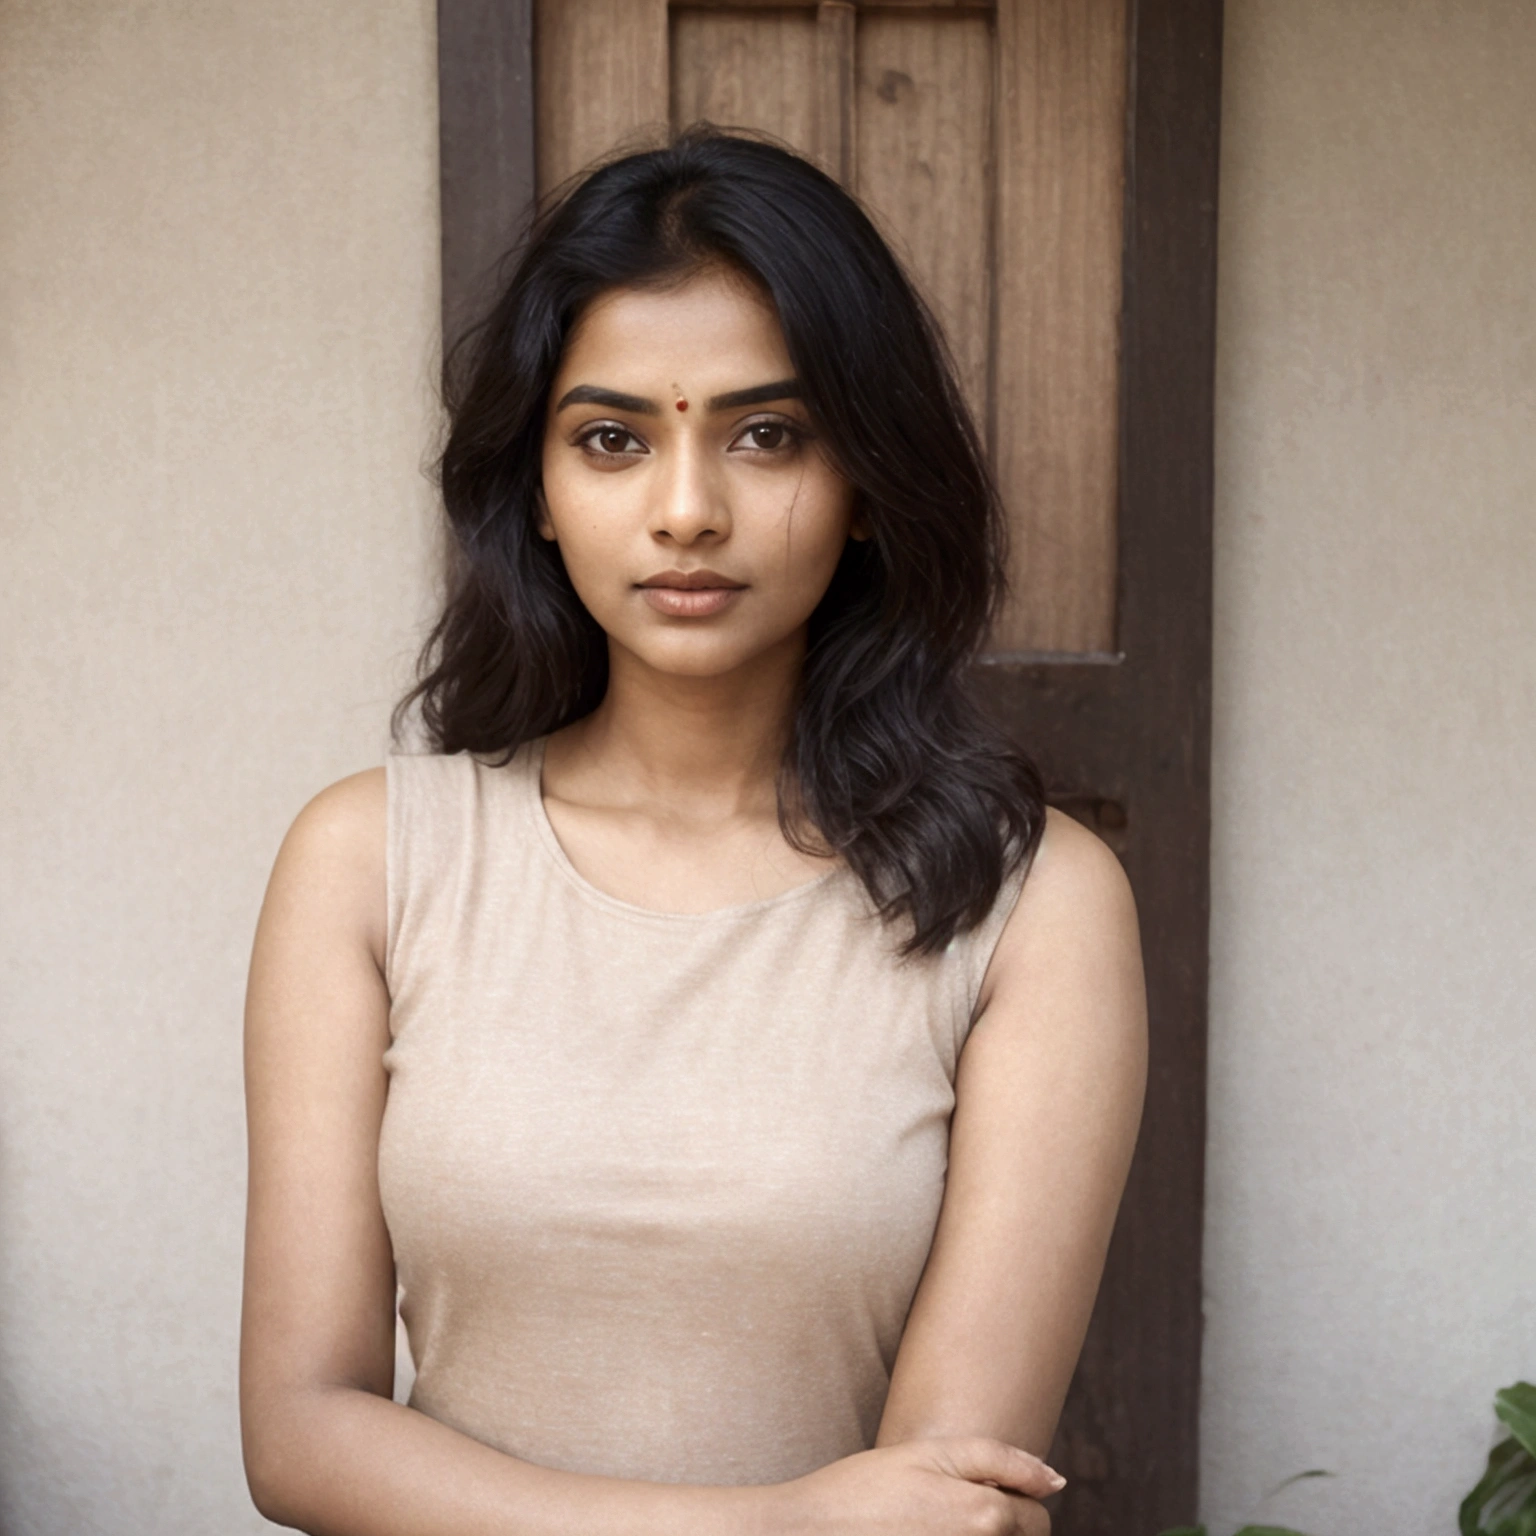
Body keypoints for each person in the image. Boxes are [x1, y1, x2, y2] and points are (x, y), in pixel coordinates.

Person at [239, 129, 1146, 1536]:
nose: (685, 511)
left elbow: (937, 1509)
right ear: (534, 490)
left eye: (766, 436)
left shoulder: (1036, 906)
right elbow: (301, 1432)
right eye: (612, 439)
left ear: (864, 484)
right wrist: (769, 1524)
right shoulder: (369, 864)